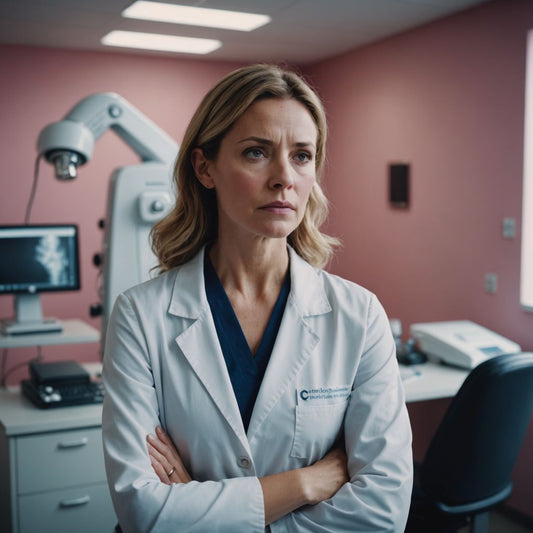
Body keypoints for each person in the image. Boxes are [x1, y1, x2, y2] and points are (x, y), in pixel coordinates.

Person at [102, 63, 413, 532]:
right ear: (205, 167)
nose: (284, 177)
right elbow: (144, 510)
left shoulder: (359, 315)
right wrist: (305, 484)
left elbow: (383, 511)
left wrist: (202, 506)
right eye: (256, 152)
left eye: (302, 156)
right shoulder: (140, 316)